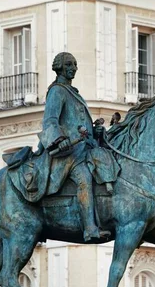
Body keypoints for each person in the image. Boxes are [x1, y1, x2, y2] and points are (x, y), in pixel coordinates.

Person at [40, 52, 111, 242]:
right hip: (69, 153)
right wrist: (59, 139)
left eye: (75, 64)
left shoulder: (73, 92)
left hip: (85, 148)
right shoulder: (57, 91)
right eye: (69, 64)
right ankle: (89, 228)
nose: (74, 68)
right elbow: (50, 121)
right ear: (60, 67)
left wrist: (95, 130)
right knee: (84, 179)